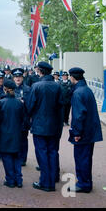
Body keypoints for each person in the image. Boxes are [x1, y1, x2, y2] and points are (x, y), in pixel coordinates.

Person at [27, 61, 64, 192]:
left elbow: (30, 106)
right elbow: (61, 106)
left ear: (40, 71)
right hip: (54, 125)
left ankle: (45, 182)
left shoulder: (36, 86)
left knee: (42, 153)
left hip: (40, 125)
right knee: (53, 152)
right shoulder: (57, 86)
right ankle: (53, 178)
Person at [67, 67, 103, 193]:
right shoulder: (86, 90)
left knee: (81, 158)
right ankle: (85, 181)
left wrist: (76, 133)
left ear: (73, 77)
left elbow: (78, 115)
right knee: (86, 158)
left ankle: (83, 183)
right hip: (89, 131)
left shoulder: (78, 93)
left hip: (83, 132)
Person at [0, 80, 26, 188]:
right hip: (17, 133)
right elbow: (24, 119)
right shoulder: (19, 102)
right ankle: (18, 180)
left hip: (5, 133)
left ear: (5, 89)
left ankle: (10, 180)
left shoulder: (1, 103)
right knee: (17, 157)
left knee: (7, 157)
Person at [12, 67, 31, 167]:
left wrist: (24, 103)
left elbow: (31, 104)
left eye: (19, 76)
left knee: (23, 139)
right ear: (13, 78)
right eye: (16, 77)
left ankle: (23, 159)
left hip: (24, 118)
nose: (18, 78)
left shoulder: (27, 89)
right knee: (13, 138)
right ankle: (14, 157)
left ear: (22, 77)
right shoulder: (10, 89)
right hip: (13, 118)